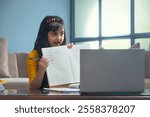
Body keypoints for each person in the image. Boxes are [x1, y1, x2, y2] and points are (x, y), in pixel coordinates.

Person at [26, 16, 73, 89]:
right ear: (45, 35)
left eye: (61, 33)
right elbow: (33, 87)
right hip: (43, 96)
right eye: (54, 34)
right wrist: (41, 71)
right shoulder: (34, 55)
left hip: (63, 93)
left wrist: (71, 54)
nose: (59, 38)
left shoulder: (65, 50)